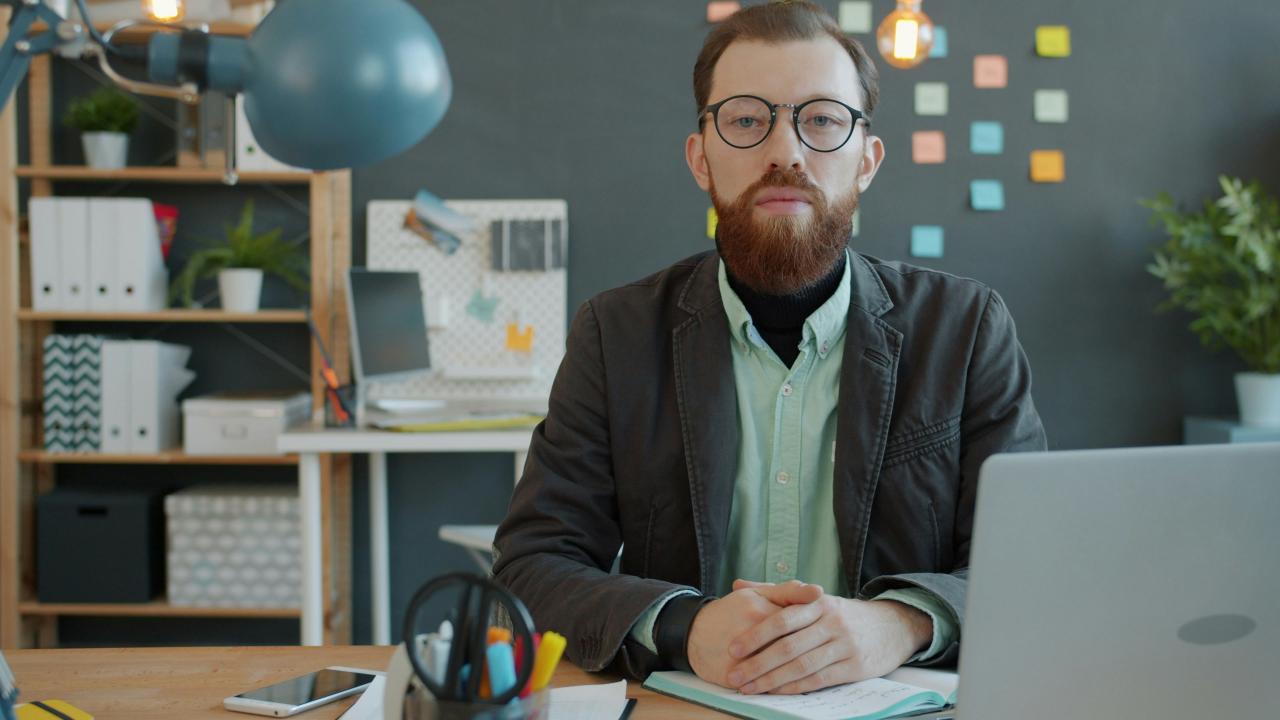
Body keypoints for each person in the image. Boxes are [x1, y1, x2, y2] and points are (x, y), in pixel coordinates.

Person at [492, 0, 1046, 696]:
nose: (785, 152)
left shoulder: (965, 331)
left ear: (866, 160)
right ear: (701, 157)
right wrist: (683, 627)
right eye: (748, 120)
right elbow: (533, 563)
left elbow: (1029, 564)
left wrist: (899, 623)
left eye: (821, 120)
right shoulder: (616, 334)